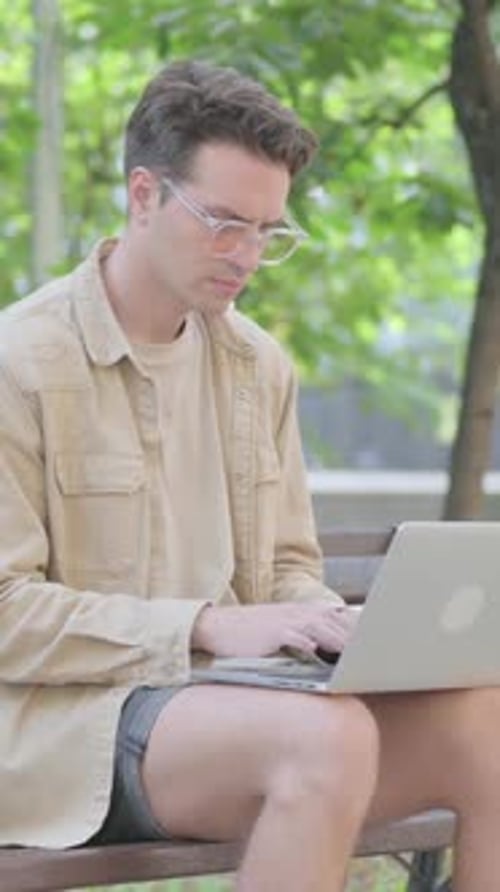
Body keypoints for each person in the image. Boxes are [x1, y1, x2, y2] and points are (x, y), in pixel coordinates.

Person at [1, 58, 500, 892]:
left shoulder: (256, 366)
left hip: (236, 705)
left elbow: (287, 569)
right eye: (225, 222)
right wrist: (201, 625)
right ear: (144, 195)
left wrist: (324, 620)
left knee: (487, 719)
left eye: (269, 231)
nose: (248, 255)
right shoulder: (20, 363)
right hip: (61, 728)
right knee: (324, 743)